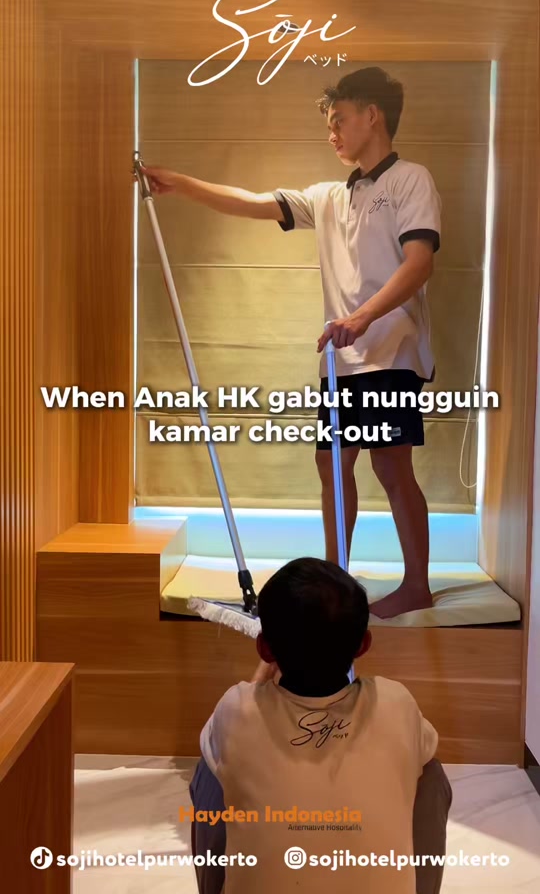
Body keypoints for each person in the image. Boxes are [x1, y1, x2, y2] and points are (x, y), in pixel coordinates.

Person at [139, 66, 441, 618]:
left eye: (339, 120)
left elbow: (419, 263)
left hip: (390, 354)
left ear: (372, 115)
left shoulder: (409, 180)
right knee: (332, 466)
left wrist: (362, 318)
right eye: (329, 124)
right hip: (341, 361)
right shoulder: (327, 197)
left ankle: (417, 585)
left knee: (390, 467)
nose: (332, 133)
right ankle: (336, 584)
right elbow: (254, 202)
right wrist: (180, 183)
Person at [188, 558, 452, 894]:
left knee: (212, 765)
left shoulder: (236, 709)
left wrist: (271, 664)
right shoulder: (395, 702)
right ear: (363, 644)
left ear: (264, 648)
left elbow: (246, 714)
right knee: (427, 770)